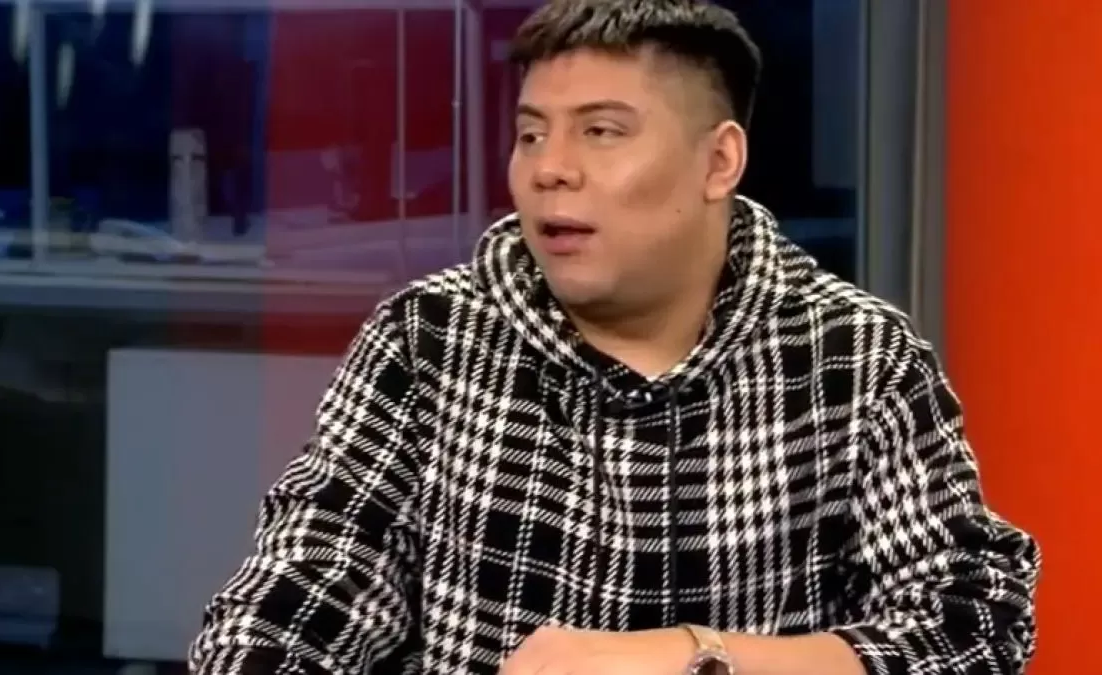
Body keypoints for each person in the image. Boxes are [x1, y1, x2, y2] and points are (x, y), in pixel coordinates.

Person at [189, 2, 1040, 673]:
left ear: (719, 162)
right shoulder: (429, 338)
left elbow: (976, 624)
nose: (550, 167)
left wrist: (698, 656)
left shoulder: (855, 357)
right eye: (531, 133)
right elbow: (299, 595)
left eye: (601, 131)